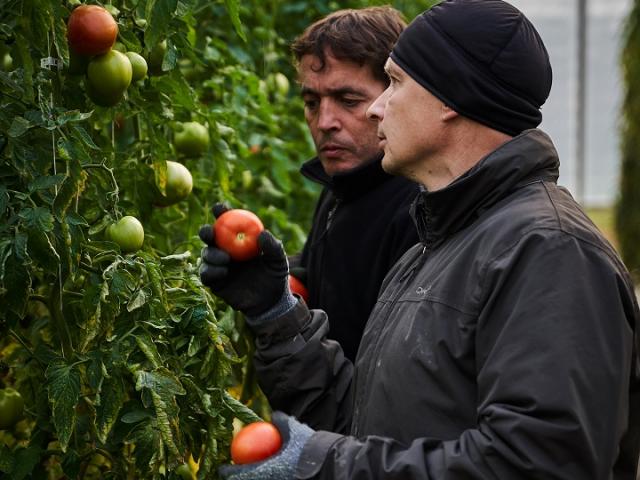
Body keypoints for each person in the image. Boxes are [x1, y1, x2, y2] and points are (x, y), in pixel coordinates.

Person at [200, 0, 640, 478]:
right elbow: (366, 424)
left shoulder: (548, 251)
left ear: (450, 97)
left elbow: (539, 463)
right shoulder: (436, 247)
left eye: (395, 82)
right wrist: (277, 315)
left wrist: (328, 467)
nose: (377, 106)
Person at [287, 7, 420, 362]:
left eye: (348, 101)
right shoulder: (341, 188)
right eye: (312, 102)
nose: (324, 121)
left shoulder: (420, 212)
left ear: (394, 97)